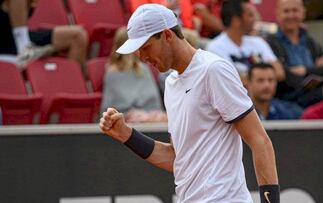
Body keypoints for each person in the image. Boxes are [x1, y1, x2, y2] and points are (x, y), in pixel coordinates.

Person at [99, 4, 279, 203]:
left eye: (146, 47)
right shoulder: (171, 83)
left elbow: (260, 141)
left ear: (167, 35)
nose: (141, 57)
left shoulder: (213, 70)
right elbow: (178, 159)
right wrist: (127, 135)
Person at [266, 0, 323, 107]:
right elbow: (284, 76)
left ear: (303, 13)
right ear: (278, 14)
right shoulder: (270, 42)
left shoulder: (310, 41)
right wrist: (315, 72)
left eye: (295, 10)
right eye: (286, 11)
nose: (291, 15)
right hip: (289, 99)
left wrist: (305, 70)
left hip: (315, 95)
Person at [206, 0, 285, 84]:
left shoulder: (258, 42)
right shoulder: (215, 48)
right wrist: (266, 76)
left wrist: (248, 78)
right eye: (250, 15)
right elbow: (228, 81)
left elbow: (280, 73)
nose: (255, 19)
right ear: (236, 20)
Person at [101, 27, 166, 123]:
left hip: (151, 115)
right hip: (128, 118)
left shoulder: (143, 68)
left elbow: (153, 101)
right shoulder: (112, 72)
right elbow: (112, 107)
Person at [0, 0, 88, 67]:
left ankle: (73, 88)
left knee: (78, 36)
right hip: (6, 45)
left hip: (14, 39)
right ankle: (24, 48)